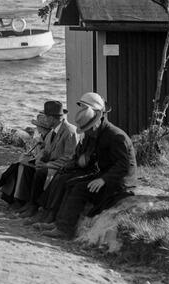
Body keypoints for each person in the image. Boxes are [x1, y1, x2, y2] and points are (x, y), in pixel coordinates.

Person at [37, 92, 136, 239]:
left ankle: (65, 229)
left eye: (88, 128)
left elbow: (124, 166)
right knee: (70, 183)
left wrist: (103, 180)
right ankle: (59, 222)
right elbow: (85, 158)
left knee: (79, 189)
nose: (87, 132)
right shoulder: (97, 133)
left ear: (96, 121)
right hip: (106, 176)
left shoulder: (115, 137)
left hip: (120, 183)